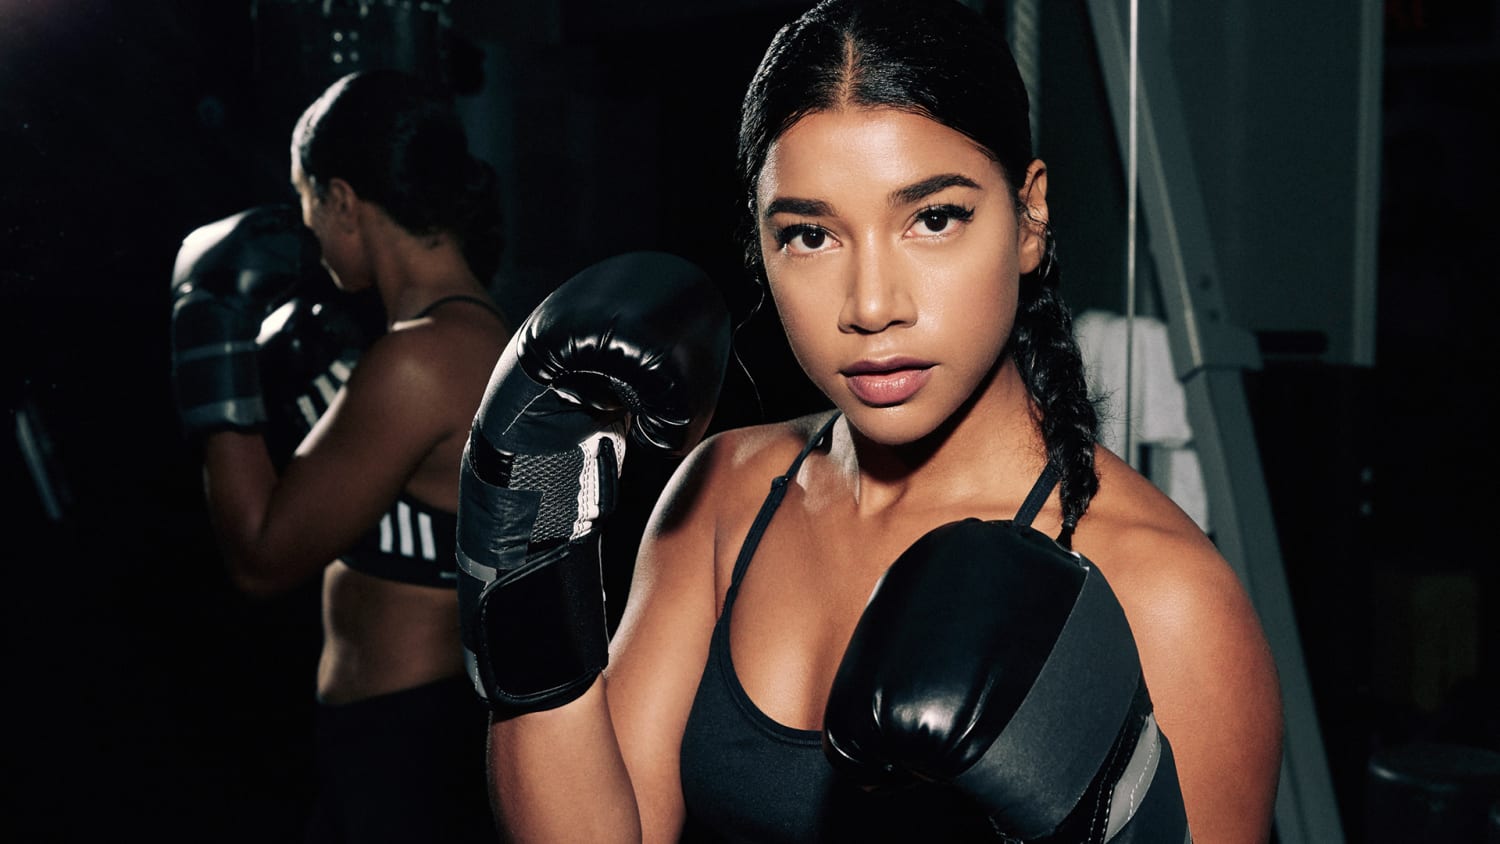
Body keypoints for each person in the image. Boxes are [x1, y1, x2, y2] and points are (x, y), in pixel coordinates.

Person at [461, 1, 1283, 841]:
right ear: (759, 242)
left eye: (933, 219)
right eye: (812, 235)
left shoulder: (1166, 596)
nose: (872, 306)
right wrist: (522, 549)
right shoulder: (726, 492)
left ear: (1030, 216)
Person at [169, 69, 509, 842]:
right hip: (405, 740)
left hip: (408, 749)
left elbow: (260, 556)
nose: (310, 232)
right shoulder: (458, 333)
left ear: (343, 200)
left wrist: (209, 330)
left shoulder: (419, 360)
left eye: (307, 203)